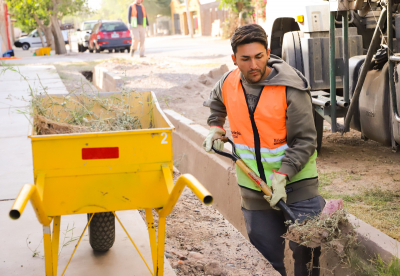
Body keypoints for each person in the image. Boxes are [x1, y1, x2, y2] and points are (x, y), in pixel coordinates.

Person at [203, 24, 325, 276]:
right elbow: (216, 100)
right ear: (234, 59)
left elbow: (305, 140)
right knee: (265, 260)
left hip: (297, 185)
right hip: (254, 188)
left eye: (259, 57)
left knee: (307, 255)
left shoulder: (290, 85)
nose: (253, 65)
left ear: (268, 53)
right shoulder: (228, 82)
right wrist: (216, 126)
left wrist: (282, 176)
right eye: (245, 59)